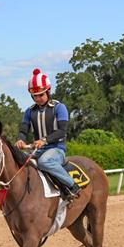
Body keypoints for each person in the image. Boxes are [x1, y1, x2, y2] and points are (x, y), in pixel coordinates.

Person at [16, 68, 80, 200]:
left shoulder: (59, 107)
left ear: (48, 92)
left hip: (56, 149)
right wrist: (20, 140)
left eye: (41, 95)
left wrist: (44, 140)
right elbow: (23, 130)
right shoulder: (29, 111)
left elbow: (62, 131)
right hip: (37, 150)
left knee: (44, 162)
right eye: (35, 96)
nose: (38, 98)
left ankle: (72, 186)